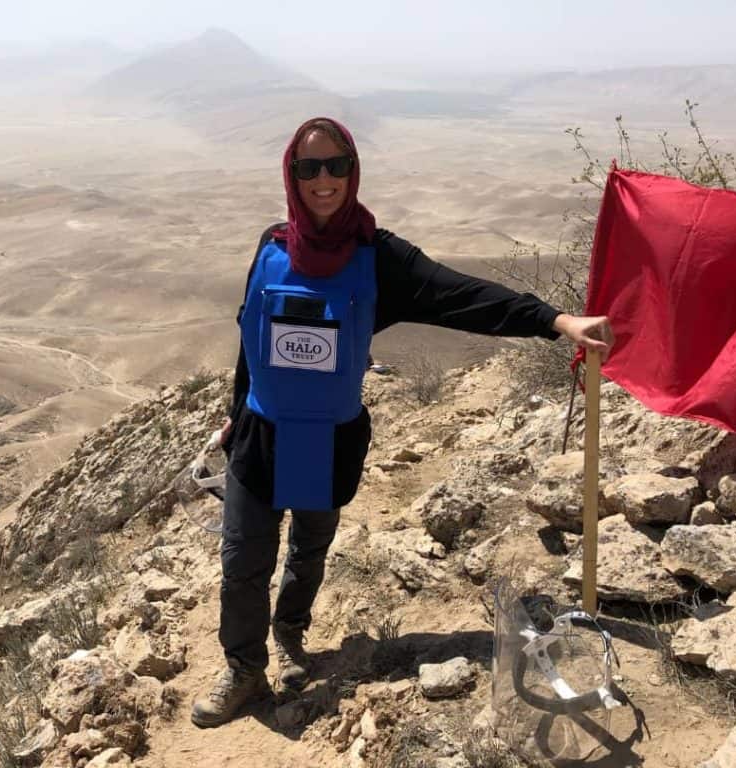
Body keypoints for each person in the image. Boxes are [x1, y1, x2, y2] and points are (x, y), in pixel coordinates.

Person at [190, 117, 614, 728]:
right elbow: (249, 340)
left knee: (308, 549)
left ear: (353, 169)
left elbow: (461, 296)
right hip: (263, 433)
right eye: (309, 168)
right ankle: (243, 669)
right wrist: (234, 416)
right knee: (242, 559)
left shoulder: (378, 257)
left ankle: (289, 633)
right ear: (291, 174)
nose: (324, 179)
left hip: (325, 439)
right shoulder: (272, 245)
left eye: (336, 164)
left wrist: (554, 320)